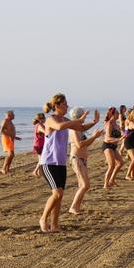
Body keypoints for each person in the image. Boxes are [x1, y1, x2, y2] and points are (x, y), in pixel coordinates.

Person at [38, 94, 88, 233]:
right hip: (48, 163)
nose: (67, 106)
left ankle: (54, 225)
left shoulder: (66, 120)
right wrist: (77, 121)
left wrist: (94, 122)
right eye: (65, 104)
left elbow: (81, 128)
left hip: (61, 163)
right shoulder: (50, 120)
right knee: (57, 194)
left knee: (60, 197)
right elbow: (59, 127)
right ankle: (43, 219)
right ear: (57, 105)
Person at [68, 107, 102, 214]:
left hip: (82, 159)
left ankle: (77, 207)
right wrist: (93, 136)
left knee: (82, 185)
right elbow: (79, 144)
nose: (85, 117)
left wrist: (94, 122)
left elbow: (86, 142)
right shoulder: (74, 129)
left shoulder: (79, 128)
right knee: (85, 185)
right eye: (84, 115)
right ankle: (73, 207)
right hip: (77, 158)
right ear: (78, 117)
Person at [102, 107, 125, 189]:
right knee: (111, 165)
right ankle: (106, 184)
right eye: (116, 113)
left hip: (114, 146)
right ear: (112, 114)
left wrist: (123, 134)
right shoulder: (109, 124)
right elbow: (107, 138)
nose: (118, 114)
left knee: (121, 163)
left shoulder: (116, 124)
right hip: (107, 146)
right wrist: (119, 139)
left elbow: (121, 132)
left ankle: (112, 180)